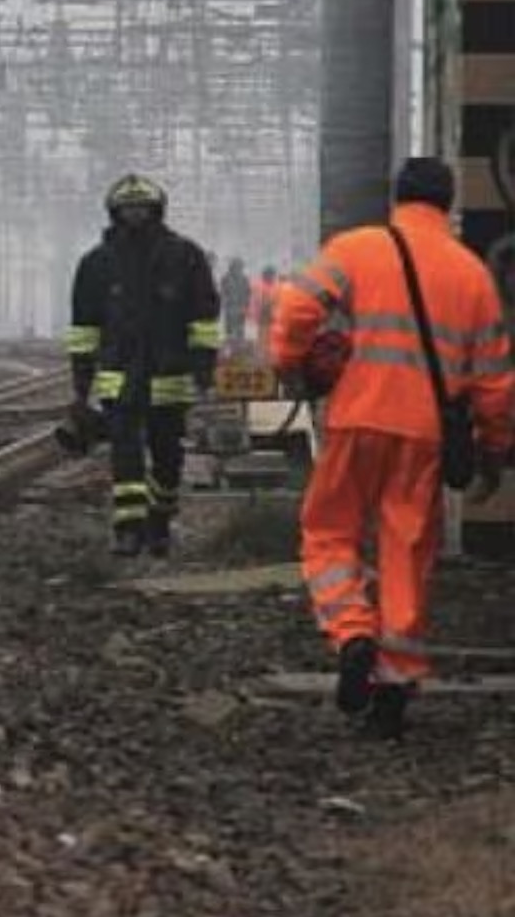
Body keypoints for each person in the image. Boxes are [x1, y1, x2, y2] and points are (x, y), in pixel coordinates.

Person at [269, 157, 515, 740]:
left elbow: (297, 307)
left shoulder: (357, 248)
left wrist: (291, 362)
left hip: (357, 418)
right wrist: (495, 446)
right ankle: (395, 682)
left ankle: (352, 632)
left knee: (328, 532)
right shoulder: (471, 274)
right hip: (425, 435)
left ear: (396, 196)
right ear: (448, 204)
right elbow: (495, 379)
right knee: (407, 550)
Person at [63, 174, 221, 556]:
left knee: (168, 454)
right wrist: (82, 382)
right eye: (128, 209)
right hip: (120, 376)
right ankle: (128, 528)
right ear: (115, 213)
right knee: (125, 451)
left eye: (142, 208)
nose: (135, 215)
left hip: (171, 375)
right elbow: (84, 326)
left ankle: (160, 522)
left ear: (157, 210)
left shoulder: (185, 257)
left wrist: (203, 367)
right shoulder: (96, 264)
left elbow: (204, 317)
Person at [219, 256, 252, 350]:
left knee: (240, 330)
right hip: (230, 308)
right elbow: (223, 292)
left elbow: (248, 293)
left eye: (240, 267)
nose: (239, 269)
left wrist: (246, 305)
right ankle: (229, 348)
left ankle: (238, 349)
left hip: (240, 308)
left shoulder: (244, 279)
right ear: (232, 267)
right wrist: (226, 304)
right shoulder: (225, 278)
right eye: (237, 266)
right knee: (229, 330)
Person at [250, 266, 279, 359]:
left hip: (271, 313)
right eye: (271, 275)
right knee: (262, 334)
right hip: (262, 313)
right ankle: (260, 354)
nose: (272, 277)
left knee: (270, 335)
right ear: (266, 275)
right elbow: (256, 299)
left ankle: (267, 353)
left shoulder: (275, 285)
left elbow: (277, 299)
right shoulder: (258, 285)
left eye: (273, 275)